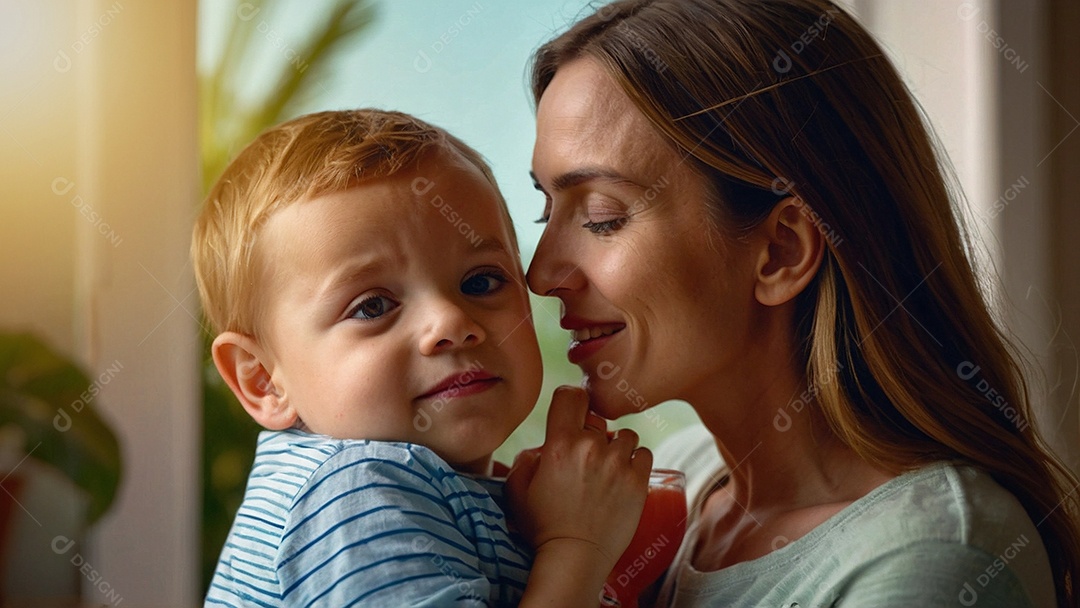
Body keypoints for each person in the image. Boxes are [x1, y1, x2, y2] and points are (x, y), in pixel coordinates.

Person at [524, 0, 1080, 606]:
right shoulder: (660, 487)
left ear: (782, 251)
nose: (540, 273)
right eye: (545, 210)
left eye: (602, 218)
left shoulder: (933, 560)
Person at [193, 108, 652, 606]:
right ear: (263, 380)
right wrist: (577, 547)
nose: (451, 323)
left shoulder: (433, 489)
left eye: (481, 282)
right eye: (371, 306)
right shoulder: (353, 493)